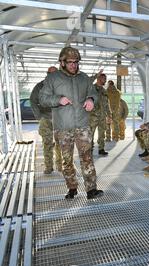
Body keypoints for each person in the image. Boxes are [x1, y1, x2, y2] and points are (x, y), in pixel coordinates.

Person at [39, 46, 103, 200]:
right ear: (62, 62)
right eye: (70, 62)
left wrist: (91, 99)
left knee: (87, 157)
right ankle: (72, 188)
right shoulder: (52, 79)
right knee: (67, 160)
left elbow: (94, 93)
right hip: (63, 127)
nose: (74, 65)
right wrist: (58, 100)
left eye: (76, 62)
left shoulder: (84, 78)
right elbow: (42, 98)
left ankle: (91, 190)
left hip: (82, 124)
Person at [30, 66, 62, 174]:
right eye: (50, 73)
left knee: (61, 143)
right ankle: (49, 166)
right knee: (47, 143)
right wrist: (39, 117)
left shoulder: (62, 86)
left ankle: (60, 166)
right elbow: (33, 101)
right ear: (47, 74)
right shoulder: (40, 86)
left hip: (59, 119)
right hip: (46, 118)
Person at [89, 73, 111, 156]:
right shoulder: (91, 89)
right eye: (104, 79)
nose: (105, 80)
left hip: (102, 116)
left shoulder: (104, 90)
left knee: (102, 133)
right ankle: (89, 149)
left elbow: (107, 104)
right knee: (90, 134)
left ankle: (101, 149)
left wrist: (109, 115)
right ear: (99, 79)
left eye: (105, 79)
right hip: (92, 116)